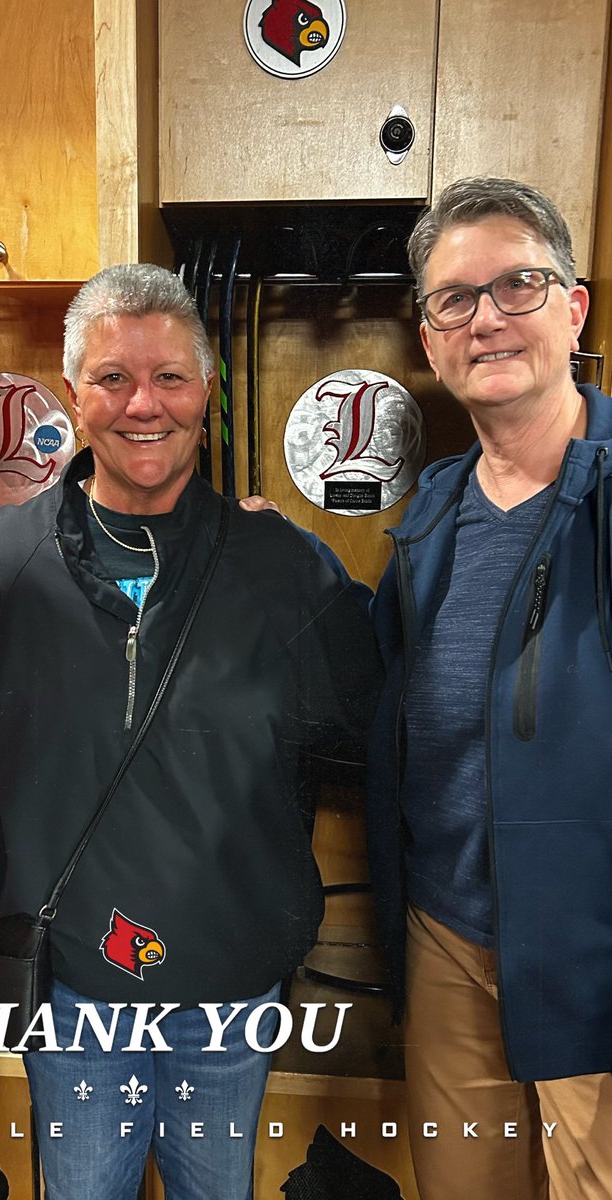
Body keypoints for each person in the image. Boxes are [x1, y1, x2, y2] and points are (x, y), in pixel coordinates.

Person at [0, 263, 383, 1200]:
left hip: (230, 980)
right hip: (71, 983)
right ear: (72, 389)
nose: (142, 404)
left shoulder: (283, 564)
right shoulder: (0, 562)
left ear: (207, 390)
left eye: (169, 377)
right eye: (113, 377)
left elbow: (367, 717)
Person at [367, 176, 612, 1200]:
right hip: (448, 945)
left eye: (519, 283)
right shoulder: (428, 522)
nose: (488, 318)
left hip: (593, 959)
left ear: (574, 306)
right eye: (454, 300)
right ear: (429, 339)